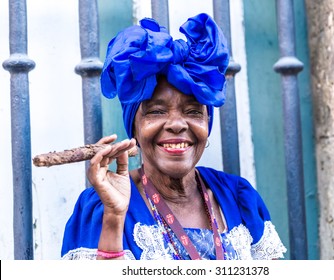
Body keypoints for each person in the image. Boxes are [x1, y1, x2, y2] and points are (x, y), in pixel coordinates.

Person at [61, 13, 286, 260]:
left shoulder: (239, 198)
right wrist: (114, 218)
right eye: (156, 111)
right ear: (134, 128)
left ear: (206, 124)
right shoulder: (101, 207)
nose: (177, 124)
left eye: (193, 111)